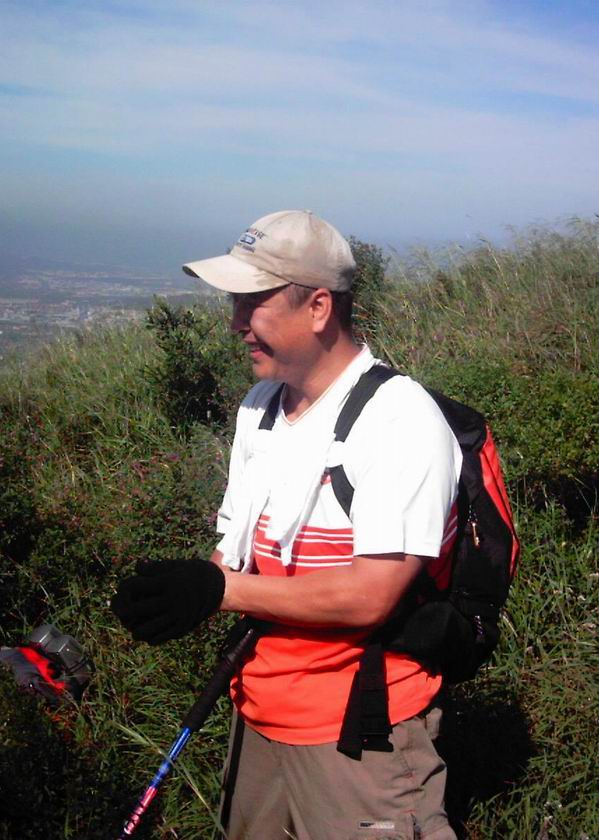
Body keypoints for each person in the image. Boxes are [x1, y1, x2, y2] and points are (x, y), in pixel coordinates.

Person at [112, 210, 462, 840]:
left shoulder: (399, 420)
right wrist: (187, 589)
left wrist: (220, 592)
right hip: (257, 711)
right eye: (235, 303)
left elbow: (370, 596)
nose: (236, 322)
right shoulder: (261, 408)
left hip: (359, 734)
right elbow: (239, 551)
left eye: (253, 302)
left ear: (319, 307)